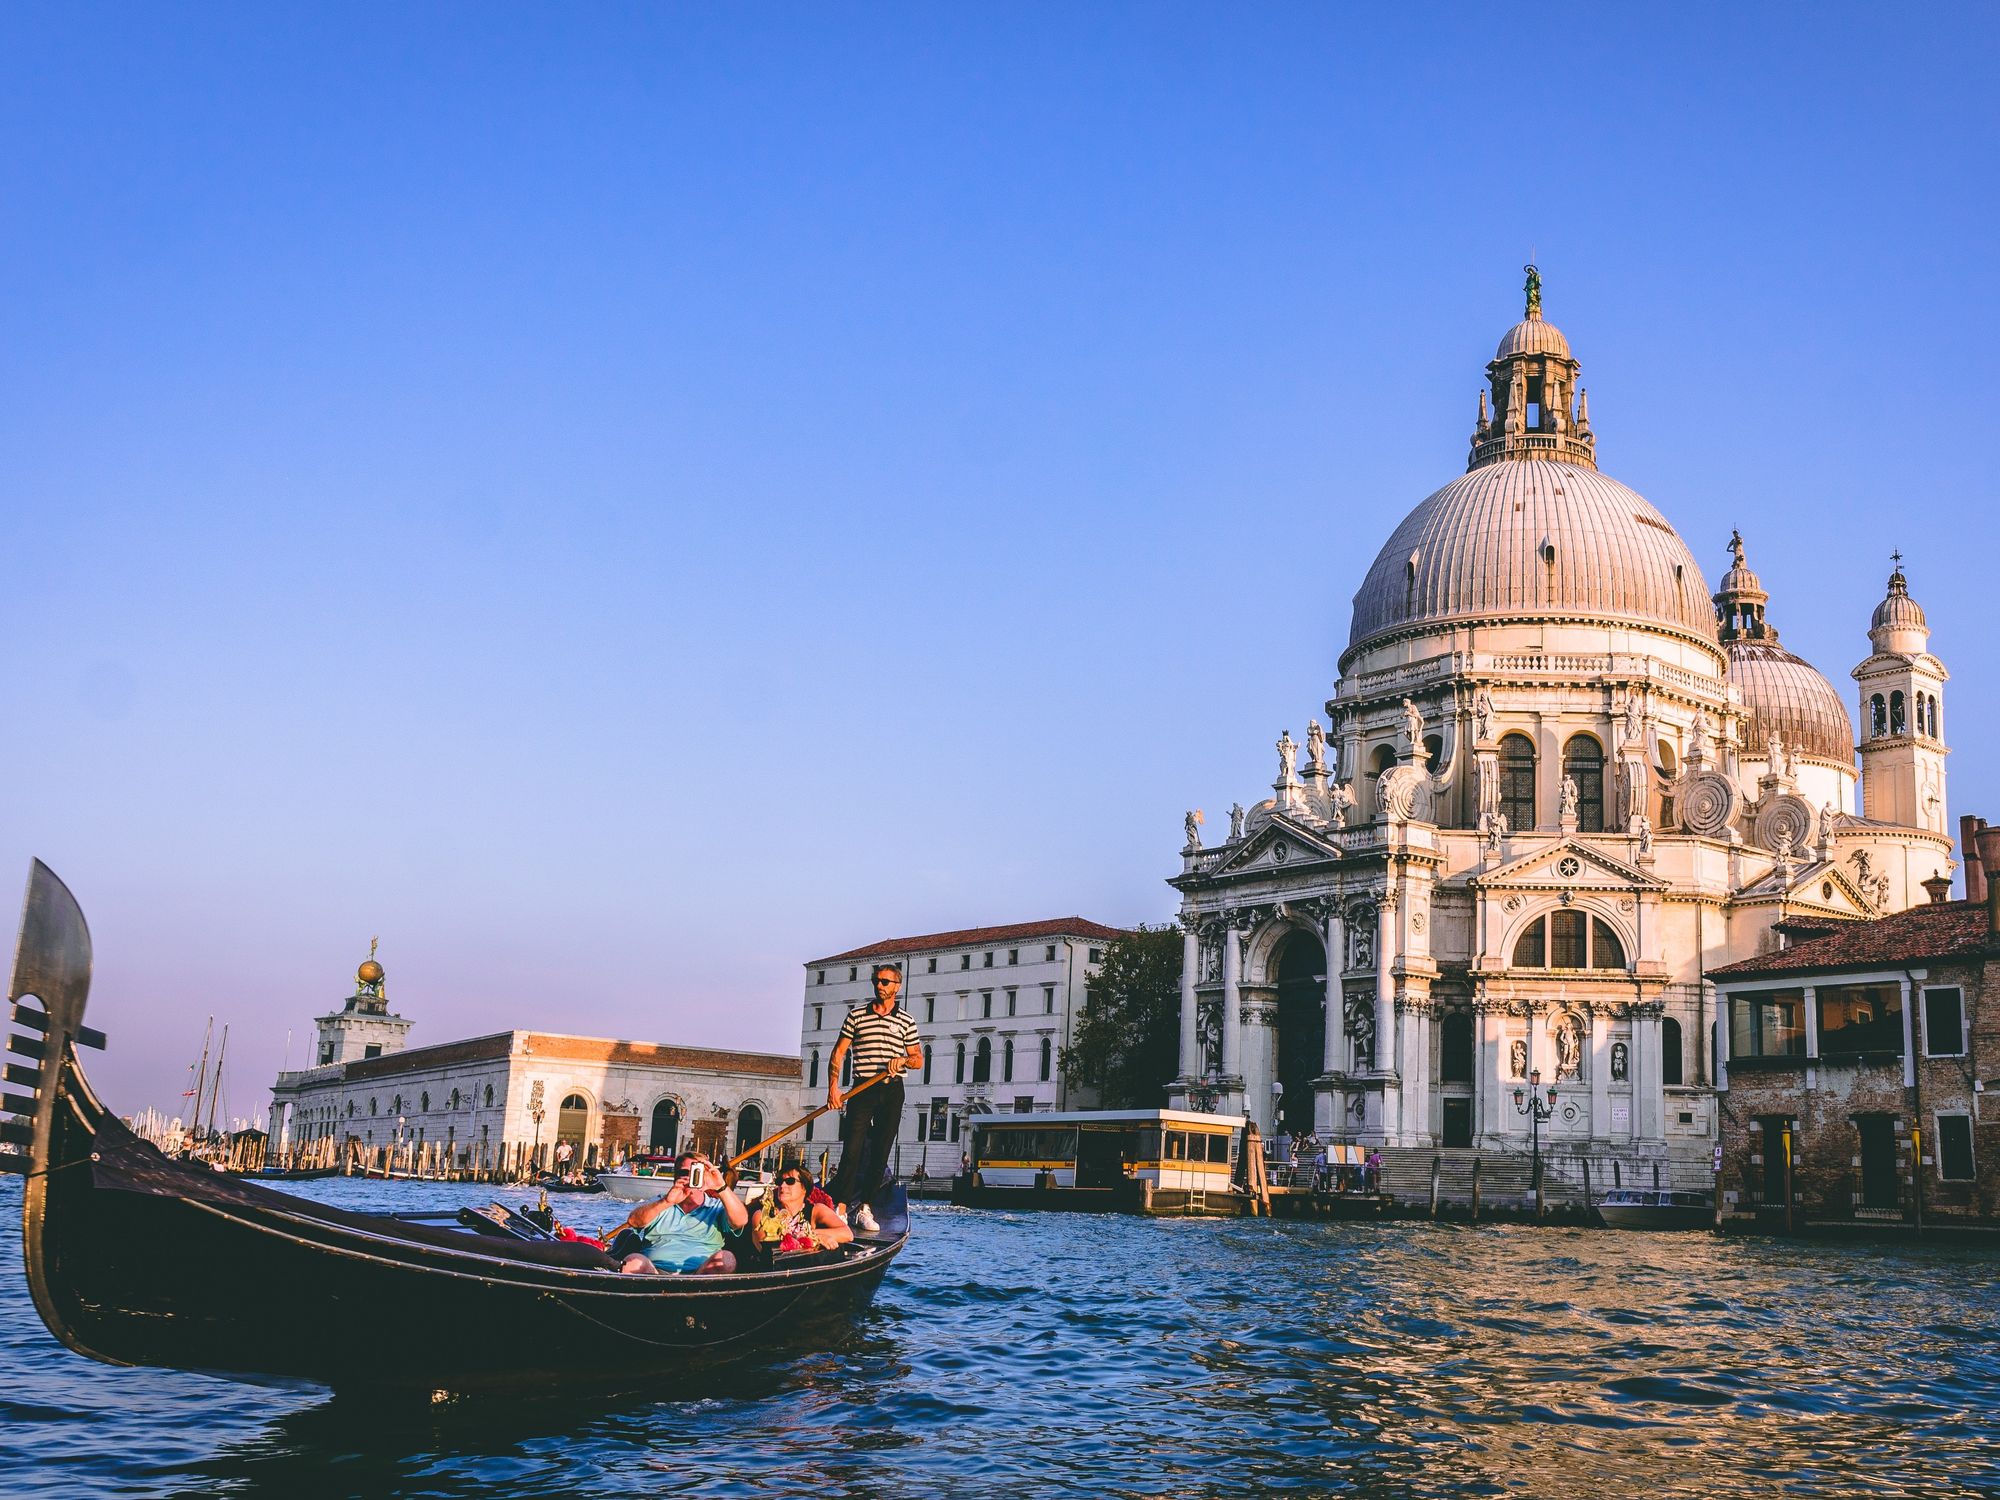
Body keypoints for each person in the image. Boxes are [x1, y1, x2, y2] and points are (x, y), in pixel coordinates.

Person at [826, 963, 923, 1235]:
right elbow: (838, 1053)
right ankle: (842, 1209)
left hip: (892, 1089)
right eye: (877, 981)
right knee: (852, 1149)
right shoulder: (856, 1016)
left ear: (897, 987)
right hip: (861, 1089)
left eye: (885, 982)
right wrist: (833, 1087)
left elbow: (918, 1059)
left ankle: (865, 1207)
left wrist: (903, 1059)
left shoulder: (906, 1021)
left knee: (880, 1150)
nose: (879, 986)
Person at [613, 1152, 748, 1275]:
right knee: (632, 1262)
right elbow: (633, 1221)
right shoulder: (660, 1202)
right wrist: (667, 1202)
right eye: (683, 1172)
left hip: (702, 1274)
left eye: (696, 1172)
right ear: (675, 1176)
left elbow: (741, 1221)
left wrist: (721, 1187)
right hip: (654, 1273)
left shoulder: (716, 1207)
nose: (689, 1177)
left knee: (727, 1259)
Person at [752, 1165, 852, 1257]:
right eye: (779, 1181)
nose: (782, 1185)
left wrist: (815, 1234)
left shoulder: (817, 1210)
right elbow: (767, 1247)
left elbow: (847, 1234)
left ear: (804, 1187)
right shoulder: (762, 1215)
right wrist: (813, 1238)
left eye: (790, 1181)